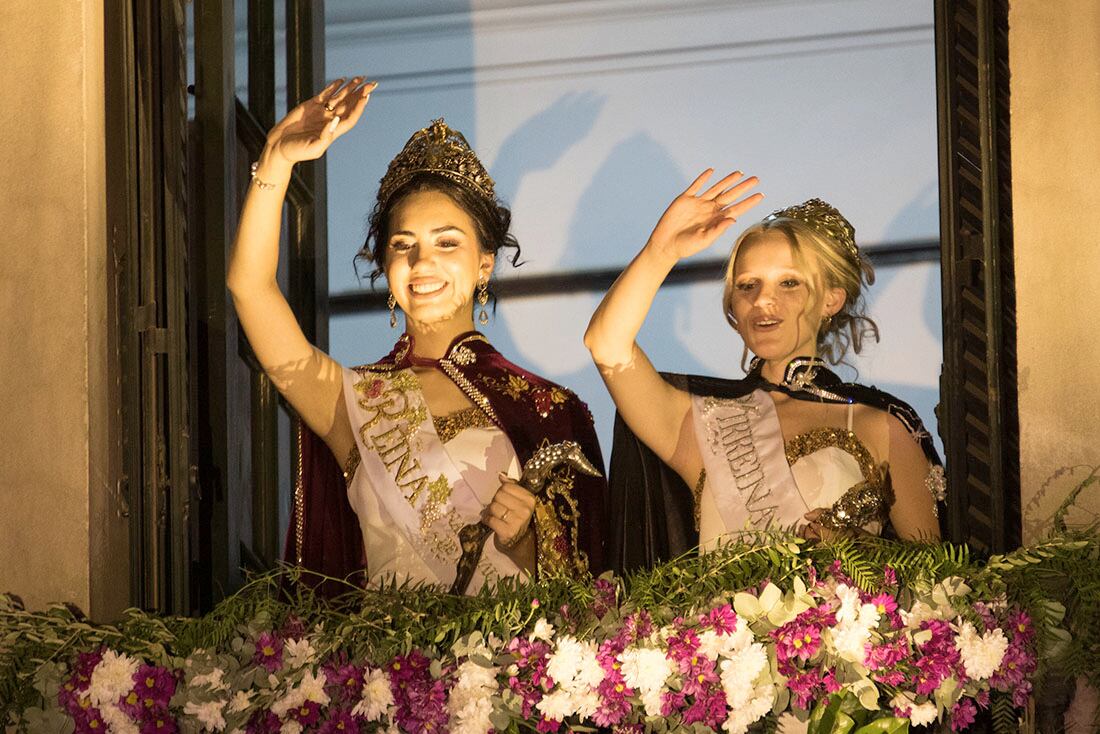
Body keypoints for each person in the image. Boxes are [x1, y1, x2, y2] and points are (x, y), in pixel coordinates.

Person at [227, 78, 607, 593]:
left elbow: (593, 596)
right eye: (403, 244)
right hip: (389, 669)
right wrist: (276, 162)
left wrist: (527, 539)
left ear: (484, 265)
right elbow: (249, 288)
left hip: (512, 668)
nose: (422, 261)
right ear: (386, 268)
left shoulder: (551, 411)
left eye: (447, 243)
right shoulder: (352, 401)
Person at [583, 170, 945, 573]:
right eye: (747, 286)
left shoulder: (881, 425)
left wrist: (857, 551)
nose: (763, 300)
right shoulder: (703, 423)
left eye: (788, 283)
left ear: (832, 299)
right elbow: (606, 343)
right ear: (733, 309)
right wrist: (660, 251)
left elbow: (938, 581)